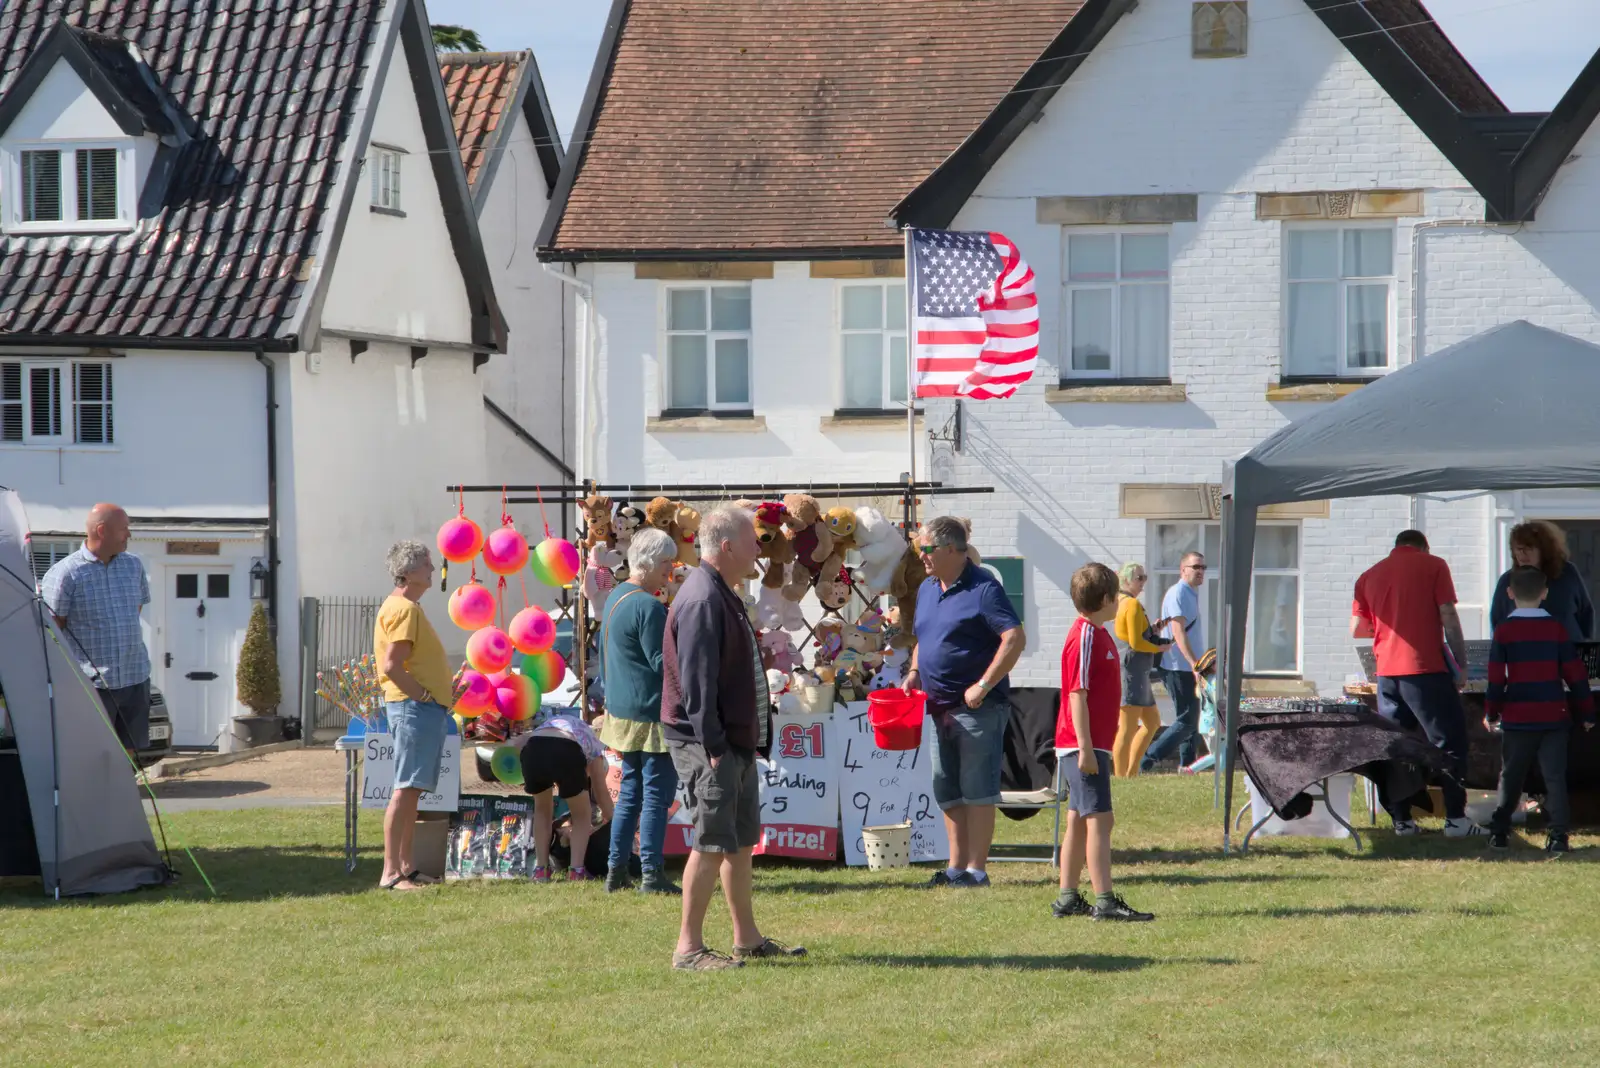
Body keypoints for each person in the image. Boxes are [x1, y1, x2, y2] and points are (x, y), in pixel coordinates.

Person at [662, 505, 805, 971]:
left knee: (740, 842)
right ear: (725, 546)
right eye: (751, 540)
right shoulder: (703, 598)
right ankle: (689, 949)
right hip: (711, 745)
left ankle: (747, 939)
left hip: (731, 742)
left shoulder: (719, 591)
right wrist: (717, 747)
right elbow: (697, 685)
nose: (758, 549)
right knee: (710, 842)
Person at [903, 515, 1026, 888]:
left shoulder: (984, 588)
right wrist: (914, 672)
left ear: (951, 549)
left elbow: (1014, 638)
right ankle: (956, 868)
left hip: (977, 708)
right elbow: (925, 638)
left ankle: (977, 870)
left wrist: (984, 685)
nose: (921, 555)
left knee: (977, 790)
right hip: (937, 706)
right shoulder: (928, 588)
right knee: (947, 788)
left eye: (926, 549)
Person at [1352, 530, 1482, 837]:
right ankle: (1455, 819)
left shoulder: (1368, 575)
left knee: (1397, 746)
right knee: (1448, 742)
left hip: (1386, 672)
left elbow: (1359, 628)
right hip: (1425, 669)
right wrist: (1462, 663)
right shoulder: (1434, 565)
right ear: (1424, 546)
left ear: (1396, 546)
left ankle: (1402, 820)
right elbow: (1448, 614)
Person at [1052, 563, 1154, 922]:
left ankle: (1067, 897)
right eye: (1118, 596)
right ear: (1107, 599)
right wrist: (1084, 748)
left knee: (1079, 818)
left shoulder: (1100, 633)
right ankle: (1106, 901)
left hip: (1093, 743)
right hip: (1083, 744)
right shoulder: (1084, 635)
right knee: (1101, 819)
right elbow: (1077, 694)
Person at [1484, 566, 1595, 855]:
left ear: (1509, 594)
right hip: (1553, 716)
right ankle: (1558, 836)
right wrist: (1587, 712)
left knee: (1511, 776)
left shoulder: (1504, 631)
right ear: (1545, 593)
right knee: (1555, 777)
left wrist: (1492, 712)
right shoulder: (1556, 629)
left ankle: (1499, 832)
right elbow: (1575, 674)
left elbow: (1497, 678)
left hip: (1518, 716)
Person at [599, 526, 680, 894]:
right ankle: (651, 872)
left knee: (631, 793)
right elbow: (663, 662)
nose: (671, 568)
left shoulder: (617, 596)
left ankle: (616, 870)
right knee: (656, 795)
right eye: (666, 561)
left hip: (622, 711)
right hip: (650, 714)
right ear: (647, 563)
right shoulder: (648, 605)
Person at [39, 503, 152, 758]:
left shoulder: (133, 566)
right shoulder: (65, 574)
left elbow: (135, 611)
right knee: (93, 756)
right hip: (93, 685)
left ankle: (122, 798)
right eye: (124, 529)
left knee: (129, 754)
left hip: (135, 676)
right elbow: (53, 629)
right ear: (102, 531)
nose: (129, 535)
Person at [374, 540, 454, 890]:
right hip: (413, 708)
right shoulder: (404, 609)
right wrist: (422, 695)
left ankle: (406, 866)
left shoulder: (406, 606)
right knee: (405, 790)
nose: (432, 570)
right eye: (426, 565)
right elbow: (393, 665)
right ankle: (391, 873)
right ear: (407, 572)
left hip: (418, 708)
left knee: (413, 790)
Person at [521, 709, 615, 882]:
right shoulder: (597, 752)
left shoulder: (579, 731)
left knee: (542, 810)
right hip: (565, 749)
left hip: (533, 748)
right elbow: (602, 797)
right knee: (582, 815)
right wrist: (616, 821)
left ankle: (541, 870)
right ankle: (577, 871)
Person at [1141, 551, 1206, 772]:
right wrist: (1194, 664)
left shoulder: (1190, 592)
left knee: (1192, 718)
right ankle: (1147, 761)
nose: (1200, 572)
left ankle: (1187, 767)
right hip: (1178, 666)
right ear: (1183, 569)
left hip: (1187, 666)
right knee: (1187, 720)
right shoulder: (1178, 592)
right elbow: (1178, 633)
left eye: (1203, 568)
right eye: (1195, 567)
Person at [1111, 562, 1171, 777]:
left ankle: (1131, 772)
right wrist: (1159, 647)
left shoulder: (1122, 602)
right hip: (1133, 669)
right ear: (1126, 580)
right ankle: (1121, 776)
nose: (1143, 582)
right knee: (1127, 727)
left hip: (1137, 669)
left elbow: (1132, 634)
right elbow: (1136, 643)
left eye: (1144, 577)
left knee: (1152, 722)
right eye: (1139, 578)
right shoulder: (1132, 605)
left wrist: (1153, 630)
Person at [1489, 520, 1593, 641]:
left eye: (1529, 548)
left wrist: (1585, 644)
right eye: (1519, 549)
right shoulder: (1507, 580)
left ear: (1543, 550)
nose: (1523, 554)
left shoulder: (1567, 573)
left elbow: (1585, 611)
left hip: (1568, 650)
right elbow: (1498, 619)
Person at [1180, 650, 1219, 775]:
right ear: (1212, 665)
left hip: (1206, 723)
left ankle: (1190, 770)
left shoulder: (1203, 681)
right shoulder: (1214, 681)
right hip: (1214, 723)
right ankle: (1190, 770)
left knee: (1219, 754)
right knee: (1218, 756)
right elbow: (1219, 700)